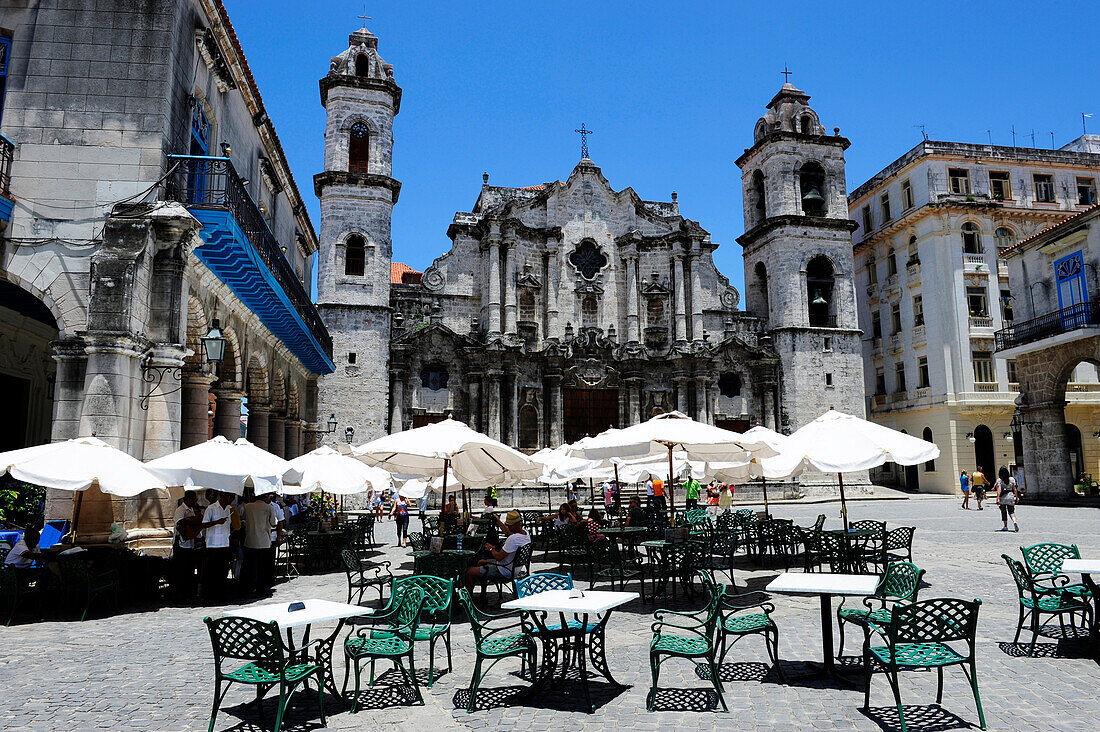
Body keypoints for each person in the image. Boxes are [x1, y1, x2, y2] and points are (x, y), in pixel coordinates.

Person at [464, 510, 530, 593]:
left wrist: (491, 549)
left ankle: (469, 598)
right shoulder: (525, 534)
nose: (508, 527)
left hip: (504, 571)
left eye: (508, 525)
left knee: (469, 572)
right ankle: (483, 594)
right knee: (481, 562)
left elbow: (498, 557)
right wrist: (498, 522)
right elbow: (509, 533)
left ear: (513, 526)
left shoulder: (513, 539)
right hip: (514, 569)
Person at [240, 492, 279, 595]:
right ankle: (261, 588)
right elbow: (274, 523)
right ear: (265, 497)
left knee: (251, 565)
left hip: (250, 540)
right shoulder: (268, 507)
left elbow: (244, 518)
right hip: (263, 541)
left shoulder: (247, 506)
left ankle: (249, 586)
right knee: (262, 566)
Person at [199, 492, 234, 602]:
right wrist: (217, 522)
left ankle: (221, 593)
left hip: (225, 543)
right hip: (212, 544)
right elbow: (204, 524)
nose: (231, 500)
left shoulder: (230, 509)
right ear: (223, 496)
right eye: (230, 497)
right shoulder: (211, 508)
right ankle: (210, 595)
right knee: (212, 571)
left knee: (223, 571)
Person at [171, 490, 204, 601]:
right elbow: (180, 523)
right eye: (194, 499)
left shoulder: (192, 510)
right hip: (181, 545)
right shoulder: (180, 510)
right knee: (181, 570)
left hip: (190, 545)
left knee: (189, 570)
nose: (196, 501)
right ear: (188, 499)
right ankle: (180, 593)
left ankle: (188, 592)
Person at [995, 465, 1020, 532]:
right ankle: (1014, 522)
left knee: (1003, 511)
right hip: (1010, 496)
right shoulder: (1012, 479)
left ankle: (1005, 526)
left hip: (1003, 497)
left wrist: (997, 498)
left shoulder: (1000, 480)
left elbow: (999, 489)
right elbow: (1015, 489)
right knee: (1011, 511)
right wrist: (1017, 497)